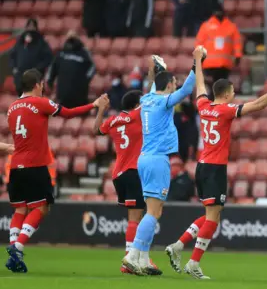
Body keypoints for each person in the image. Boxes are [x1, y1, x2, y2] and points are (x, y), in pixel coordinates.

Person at [165, 48, 267, 279]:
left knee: (209, 215)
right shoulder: (226, 111)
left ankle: (178, 245)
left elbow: (201, 86)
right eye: (233, 90)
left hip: (202, 165)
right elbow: (258, 105)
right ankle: (193, 263)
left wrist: (197, 60)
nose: (235, 93)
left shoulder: (203, 106)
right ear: (226, 94)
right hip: (215, 168)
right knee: (213, 219)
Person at [5, 69, 106, 273]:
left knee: (19, 209)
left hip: (15, 166)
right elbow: (67, 113)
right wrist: (94, 105)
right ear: (36, 85)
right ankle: (17, 246)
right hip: (35, 165)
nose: (43, 88)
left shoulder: (12, 107)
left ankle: (14, 251)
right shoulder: (40, 103)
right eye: (42, 85)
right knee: (41, 208)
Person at [121, 54, 197, 276]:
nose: (176, 86)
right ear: (170, 85)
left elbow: (156, 85)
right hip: (157, 159)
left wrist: (157, 70)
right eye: (174, 83)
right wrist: (196, 65)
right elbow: (186, 91)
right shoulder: (164, 101)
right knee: (153, 212)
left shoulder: (146, 99)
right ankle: (132, 255)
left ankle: (143, 259)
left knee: (154, 210)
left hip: (145, 158)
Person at [93, 90, 160, 275]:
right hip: (133, 171)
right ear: (138, 104)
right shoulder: (137, 115)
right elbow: (152, 100)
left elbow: (96, 130)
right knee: (136, 218)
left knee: (136, 217)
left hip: (118, 174)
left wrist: (101, 110)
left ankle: (137, 257)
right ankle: (130, 259)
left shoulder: (113, 120)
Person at [47, 31, 96, 108]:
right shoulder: (61, 54)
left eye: (73, 37)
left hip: (80, 97)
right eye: (69, 38)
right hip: (63, 96)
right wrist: (50, 81)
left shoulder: (84, 53)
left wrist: (84, 81)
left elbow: (92, 67)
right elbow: (52, 69)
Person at [195, 8, 242, 89]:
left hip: (224, 64)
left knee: (220, 88)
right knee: (214, 88)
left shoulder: (231, 26)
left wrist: (238, 56)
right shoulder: (206, 26)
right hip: (210, 65)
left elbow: (237, 43)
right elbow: (199, 44)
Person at [9, 19, 53, 95]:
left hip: (34, 79)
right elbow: (12, 55)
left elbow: (48, 58)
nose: (30, 28)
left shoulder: (41, 42)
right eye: (29, 26)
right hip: (20, 78)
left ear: (36, 28)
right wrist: (14, 68)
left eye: (32, 26)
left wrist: (37, 69)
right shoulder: (20, 41)